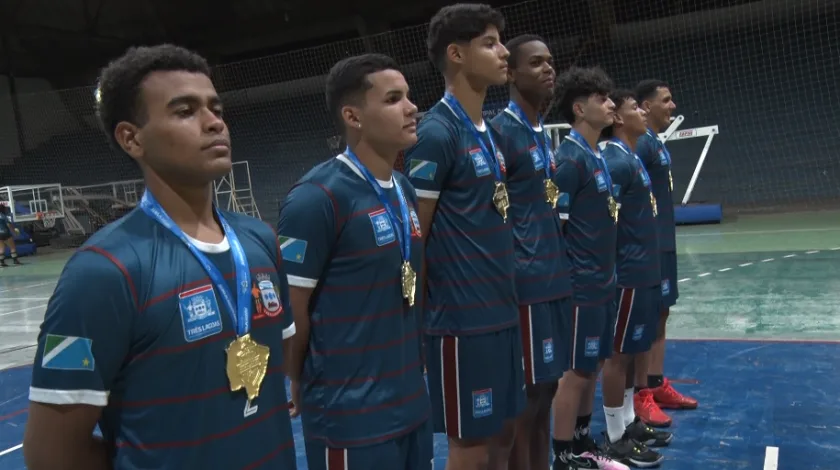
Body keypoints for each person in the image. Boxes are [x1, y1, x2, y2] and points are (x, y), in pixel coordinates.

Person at [23, 44, 297, 470]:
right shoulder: (103, 271)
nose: (214, 123)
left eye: (216, 108)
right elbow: (51, 455)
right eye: (185, 111)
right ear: (132, 138)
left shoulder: (261, 241)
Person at [277, 53, 432, 470]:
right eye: (393, 99)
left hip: (410, 402)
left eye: (409, 96)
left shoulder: (403, 188)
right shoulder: (316, 197)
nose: (412, 107)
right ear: (353, 115)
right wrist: (298, 378)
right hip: (350, 417)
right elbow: (294, 309)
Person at [402, 4, 525, 469]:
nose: (503, 51)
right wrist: (422, 325)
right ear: (456, 53)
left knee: (505, 433)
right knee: (471, 445)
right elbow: (417, 236)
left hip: (502, 312)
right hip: (460, 324)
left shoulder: (489, 134)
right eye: (489, 42)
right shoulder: (436, 132)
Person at [489, 34, 572, 470]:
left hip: (555, 280)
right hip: (525, 284)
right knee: (525, 399)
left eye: (550, 60)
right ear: (512, 73)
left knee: (547, 393)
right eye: (536, 62)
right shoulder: (501, 132)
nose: (547, 68)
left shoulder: (540, 134)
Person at [548, 66, 627, 470]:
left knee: (591, 367)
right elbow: (553, 228)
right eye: (602, 98)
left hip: (604, 282)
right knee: (575, 372)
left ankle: (581, 445)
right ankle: (562, 456)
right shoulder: (568, 160)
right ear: (579, 108)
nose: (611, 103)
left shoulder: (597, 155)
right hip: (581, 286)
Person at [600, 89, 674, 467]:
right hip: (627, 272)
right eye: (633, 108)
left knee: (631, 353)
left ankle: (628, 423)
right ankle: (614, 435)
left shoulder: (631, 156)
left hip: (644, 268)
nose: (642, 112)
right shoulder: (613, 159)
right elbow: (604, 220)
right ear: (617, 119)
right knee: (617, 354)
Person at [634, 80, 698, 428]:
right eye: (666, 100)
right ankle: (639, 392)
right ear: (645, 106)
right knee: (645, 321)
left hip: (665, 243)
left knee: (661, 316)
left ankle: (655, 383)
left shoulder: (654, 142)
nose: (672, 106)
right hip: (649, 246)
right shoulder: (639, 144)